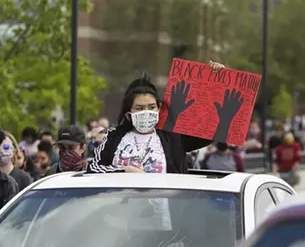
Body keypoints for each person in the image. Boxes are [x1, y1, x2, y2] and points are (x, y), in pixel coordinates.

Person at [87, 63, 225, 174]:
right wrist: (123, 170)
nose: (146, 112)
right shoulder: (113, 137)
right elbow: (93, 168)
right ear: (129, 113)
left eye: (151, 107)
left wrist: (217, 81)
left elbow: (211, 130)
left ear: (159, 108)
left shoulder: (173, 137)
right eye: (139, 108)